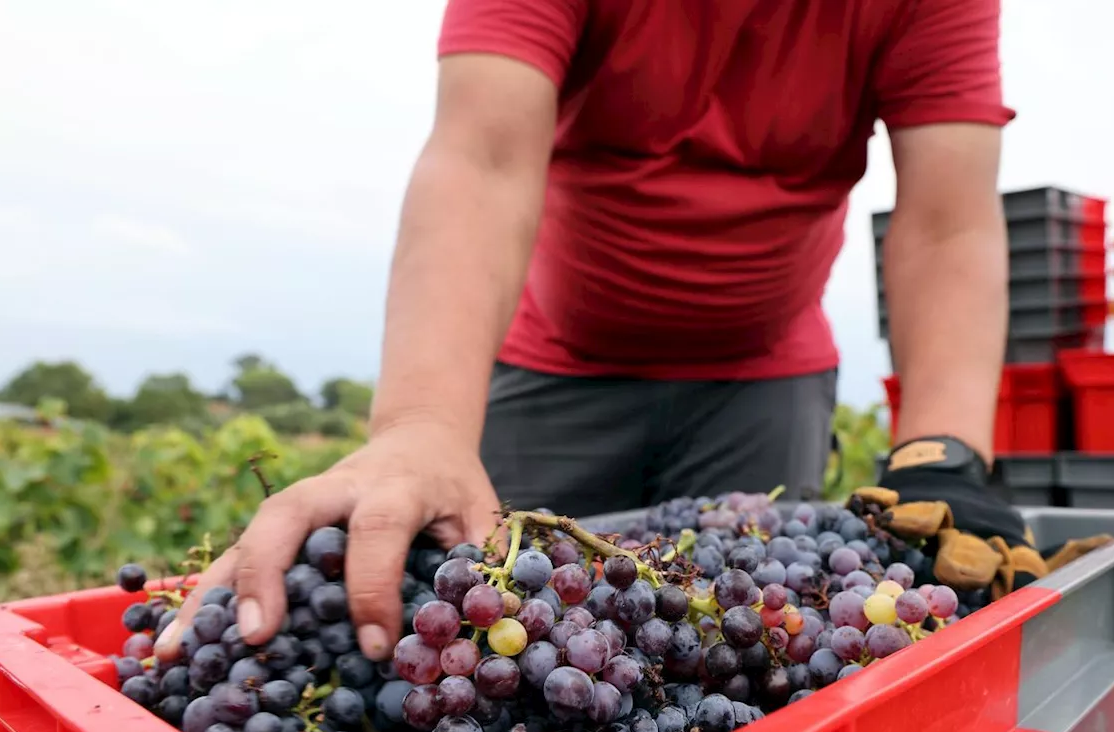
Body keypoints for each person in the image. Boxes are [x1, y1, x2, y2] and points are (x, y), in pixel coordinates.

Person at [158, 0, 1031, 664]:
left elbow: (947, 221)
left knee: (746, 652)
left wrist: (944, 448)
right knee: (500, 623)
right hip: (554, 367)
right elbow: (482, 159)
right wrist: (420, 424)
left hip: (765, 379)